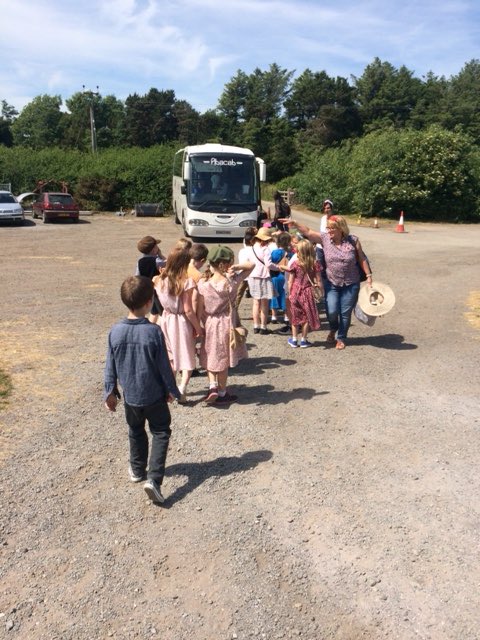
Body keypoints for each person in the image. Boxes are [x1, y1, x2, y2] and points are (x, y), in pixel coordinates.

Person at [104, 276, 180, 505]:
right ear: (149, 302)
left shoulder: (115, 331)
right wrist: (172, 390)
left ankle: (137, 470)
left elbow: (110, 364)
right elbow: (163, 366)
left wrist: (110, 391)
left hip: (131, 397)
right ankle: (154, 480)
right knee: (160, 432)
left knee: (135, 430)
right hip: (154, 396)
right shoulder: (153, 332)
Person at [284, 215, 372, 350]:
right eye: (327, 228)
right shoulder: (325, 239)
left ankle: (341, 337)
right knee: (331, 311)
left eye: (331, 228)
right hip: (332, 283)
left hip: (351, 283)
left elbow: (362, 259)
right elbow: (308, 232)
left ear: (341, 229)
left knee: (345, 313)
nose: (328, 231)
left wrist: (368, 275)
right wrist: (295, 223)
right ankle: (333, 328)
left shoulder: (353, 241)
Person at [196, 246, 254, 404]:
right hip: (227, 323)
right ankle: (222, 393)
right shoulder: (231, 281)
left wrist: (200, 324)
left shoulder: (202, 283)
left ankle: (212, 385)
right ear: (226, 263)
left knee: (210, 355)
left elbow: (199, 308)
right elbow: (251, 265)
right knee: (223, 359)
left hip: (209, 322)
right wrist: (237, 267)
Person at [153, 249, 203, 403]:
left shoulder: (158, 280)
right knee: (187, 355)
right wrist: (198, 327)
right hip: (181, 321)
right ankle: (182, 388)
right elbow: (188, 309)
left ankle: (170, 387)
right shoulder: (186, 282)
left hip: (166, 319)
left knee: (171, 355)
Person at [286, 240, 322, 348]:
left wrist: (289, 293)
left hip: (296, 291)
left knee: (295, 315)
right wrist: (321, 290)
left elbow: (290, 280)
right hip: (307, 291)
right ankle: (304, 340)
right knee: (306, 316)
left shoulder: (295, 264)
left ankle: (294, 339)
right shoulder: (315, 264)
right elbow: (319, 280)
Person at [246, 227, 275, 334]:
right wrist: (278, 267)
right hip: (264, 276)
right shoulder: (265, 249)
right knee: (264, 304)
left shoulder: (251, 248)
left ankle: (255, 326)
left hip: (253, 276)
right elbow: (268, 264)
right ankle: (263, 327)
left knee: (255, 303)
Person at [135, 235, 167, 323]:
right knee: (162, 313)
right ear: (153, 249)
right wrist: (161, 255)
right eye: (157, 246)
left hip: (147, 290)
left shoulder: (140, 261)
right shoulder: (157, 261)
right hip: (157, 291)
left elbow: (137, 276)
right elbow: (169, 264)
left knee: (154, 313)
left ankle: (150, 327)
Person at [269, 232, 291, 324]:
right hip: (286, 276)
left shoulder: (274, 252)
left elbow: (271, 262)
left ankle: (274, 316)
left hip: (275, 276)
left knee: (274, 295)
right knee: (285, 296)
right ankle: (286, 316)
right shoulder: (290, 253)